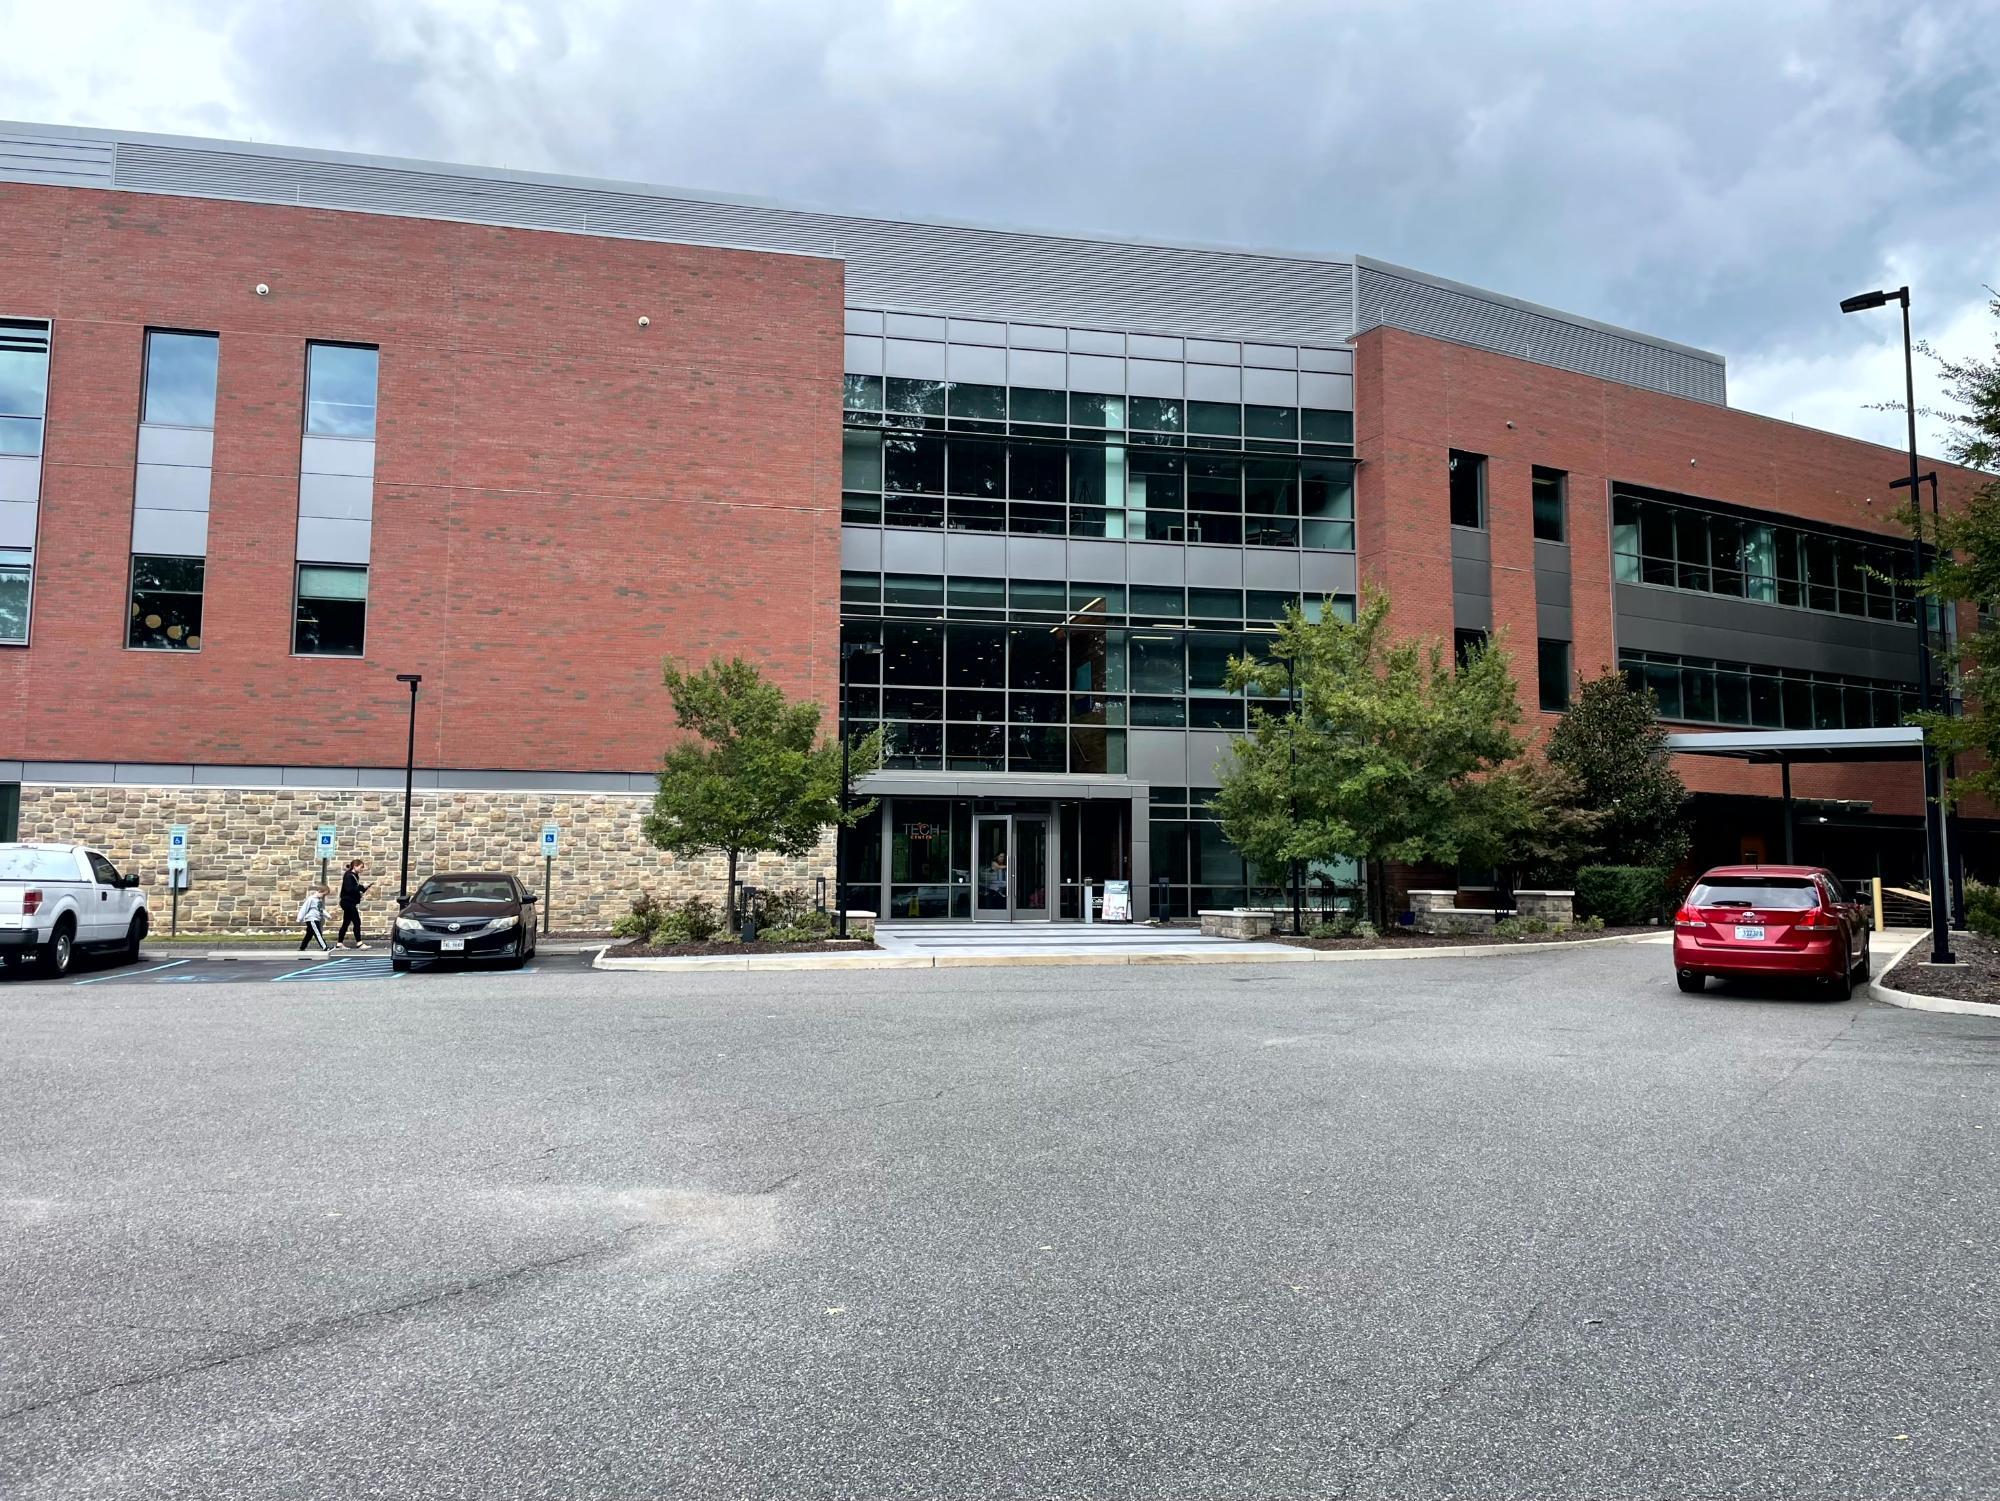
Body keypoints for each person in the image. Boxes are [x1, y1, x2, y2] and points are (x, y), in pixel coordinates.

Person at [337, 859, 370, 949]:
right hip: (347, 902)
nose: (362, 869)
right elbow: (350, 889)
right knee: (356, 922)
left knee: (346, 922)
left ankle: (339, 943)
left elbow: (358, 890)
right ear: (355, 866)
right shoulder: (349, 876)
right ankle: (359, 943)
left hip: (350, 902)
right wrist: (362, 886)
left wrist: (365, 887)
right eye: (361, 867)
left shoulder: (354, 876)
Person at [297, 885, 332, 953]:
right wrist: (299, 918)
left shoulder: (318, 900)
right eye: (323, 894)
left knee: (309, 934)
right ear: (319, 891)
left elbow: (320, 910)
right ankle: (325, 947)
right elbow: (304, 908)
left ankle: (302, 947)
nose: (323, 896)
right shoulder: (311, 899)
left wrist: (327, 915)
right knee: (318, 933)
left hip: (315, 919)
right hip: (312, 919)